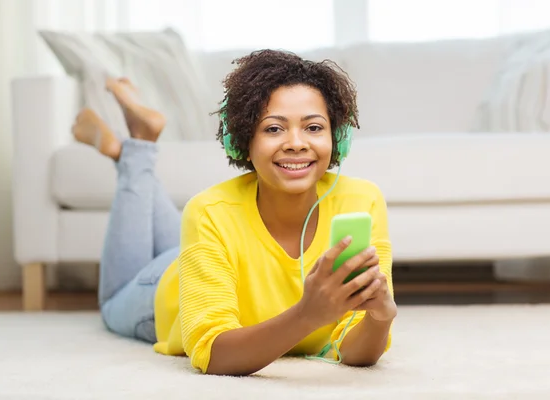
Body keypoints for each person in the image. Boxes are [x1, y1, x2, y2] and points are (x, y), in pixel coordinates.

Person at [71, 49, 397, 376]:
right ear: (242, 140)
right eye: (273, 129)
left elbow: (358, 353)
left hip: (210, 252)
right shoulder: (208, 211)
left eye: (313, 127)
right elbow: (213, 354)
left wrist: (379, 318)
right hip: (171, 285)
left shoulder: (362, 200)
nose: (297, 143)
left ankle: (131, 149)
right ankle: (134, 152)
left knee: (198, 225)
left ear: (337, 138)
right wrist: (307, 315)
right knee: (112, 304)